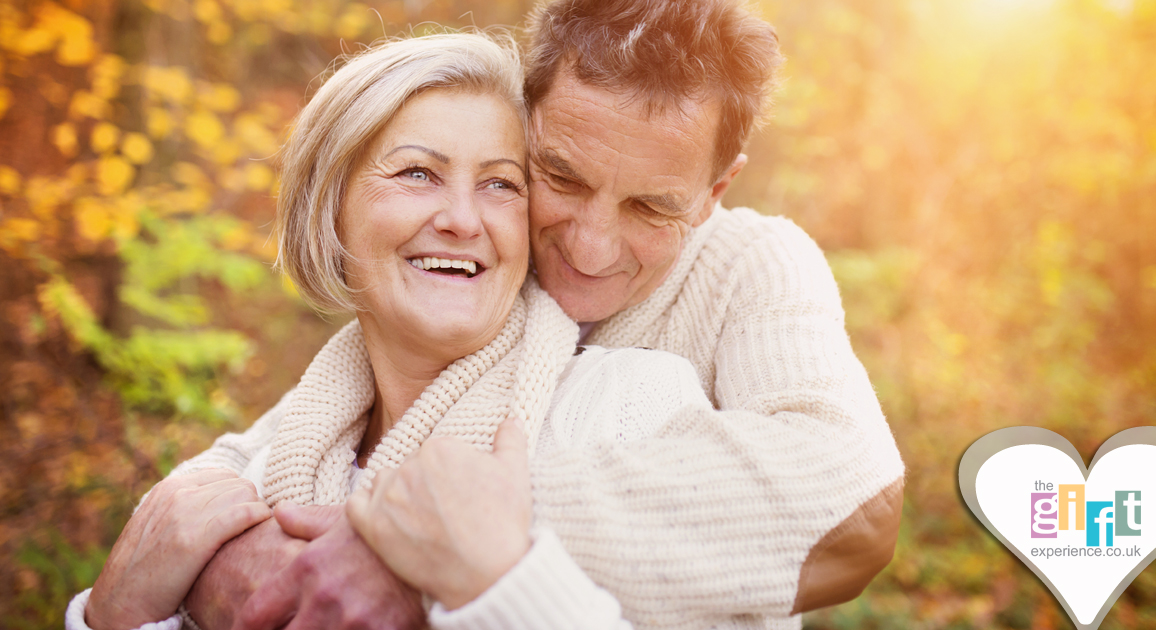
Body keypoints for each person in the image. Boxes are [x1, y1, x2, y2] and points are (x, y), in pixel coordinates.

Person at [80, 0, 908, 627]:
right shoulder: (465, 274)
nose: (587, 248)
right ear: (527, 116)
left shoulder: (740, 274)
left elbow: (849, 507)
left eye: (653, 207)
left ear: (715, 191)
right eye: (561, 176)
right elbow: (293, 440)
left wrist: (426, 543)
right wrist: (149, 583)